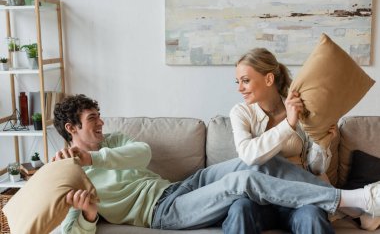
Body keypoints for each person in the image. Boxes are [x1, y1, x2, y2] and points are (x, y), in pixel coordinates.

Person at [53, 94, 380, 234]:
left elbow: (142, 154)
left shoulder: (113, 143)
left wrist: (94, 156)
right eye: (92, 119)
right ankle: (351, 200)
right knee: (243, 183)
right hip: (162, 213)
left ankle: (351, 208)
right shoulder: (69, 174)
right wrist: (89, 214)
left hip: (176, 189)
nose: (101, 123)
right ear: (71, 128)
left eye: (98, 116)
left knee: (252, 163)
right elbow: (69, 230)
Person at [229, 47, 374, 233]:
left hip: (301, 197)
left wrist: (323, 143)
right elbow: (248, 156)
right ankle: (352, 202)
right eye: (238, 82)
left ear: (269, 79)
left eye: (245, 81)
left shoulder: (300, 109)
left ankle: (351, 203)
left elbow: (315, 169)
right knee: (239, 209)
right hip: (258, 199)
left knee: (311, 216)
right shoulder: (241, 113)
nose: (239, 88)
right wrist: (288, 124)